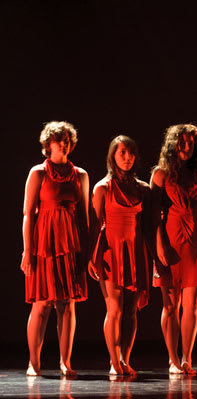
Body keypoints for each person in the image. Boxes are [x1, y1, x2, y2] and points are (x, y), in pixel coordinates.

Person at [21, 121, 89, 376]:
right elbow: (27, 214)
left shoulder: (80, 174)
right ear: (48, 144)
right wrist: (27, 251)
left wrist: (87, 251)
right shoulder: (38, 172)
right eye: (59, 139)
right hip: (44, 244)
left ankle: (65, 362)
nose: (64, 142)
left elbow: (83, 217)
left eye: (67, 139)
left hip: (70, 244)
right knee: (42, 303)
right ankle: (34, 362)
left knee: (67, 304)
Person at [151, 124, 197, 374]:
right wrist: (160, 247)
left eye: (191, 143)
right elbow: (152, 217)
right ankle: (172, 359)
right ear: (172, 145)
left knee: (192, 305)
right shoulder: (161, 174)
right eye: (182, 143)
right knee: (170, 305)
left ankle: (187, 357)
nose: (187, 147)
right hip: (170, 241)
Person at [89, 135, 152, 375]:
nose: (127, 157)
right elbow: (94, 225)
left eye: (131, 153)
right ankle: (114, 361)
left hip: (136, 251)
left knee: (131, 311)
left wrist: (153, 259)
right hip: (110, 251)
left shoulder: (143, 188)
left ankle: (125, 358)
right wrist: (91, 257)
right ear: (112, 155)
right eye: (122, 152)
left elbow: (148, 227)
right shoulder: (102, 187)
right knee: (114, 309)